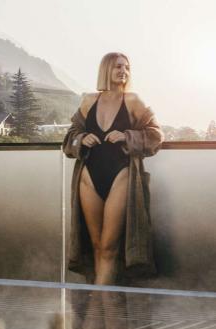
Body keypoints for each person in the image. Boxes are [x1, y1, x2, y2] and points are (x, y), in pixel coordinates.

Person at [62, 53, 163, 285]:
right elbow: (69, 137)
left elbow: (156, 136)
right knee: (96, 245)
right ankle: (104, 310)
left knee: (109, 247)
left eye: (127, 67)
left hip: (121, 174)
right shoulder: (88, 101)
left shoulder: (133, 101)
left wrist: (128, 136)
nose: (123, 71)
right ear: (106, 69)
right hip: (88, 176)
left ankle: (101, 304)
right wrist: (82, 138)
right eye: (118, 67)